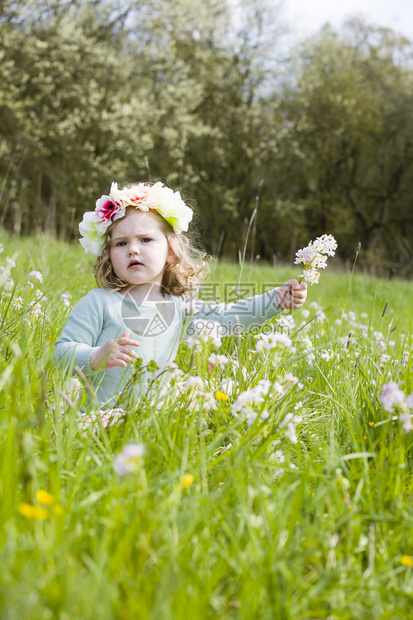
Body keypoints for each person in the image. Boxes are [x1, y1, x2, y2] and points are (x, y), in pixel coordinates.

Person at [54, 181, 307, 412]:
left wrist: (275, 300)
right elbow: (59, 353)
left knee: (207, 399)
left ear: (171, 252)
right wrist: (96, 356)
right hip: (98, 417)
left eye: (145, 239)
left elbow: (228, 316)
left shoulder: (180, 306)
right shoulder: (98, 302)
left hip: (152, 419)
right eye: (121, 243)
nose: (132, 249)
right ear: (108, 255)